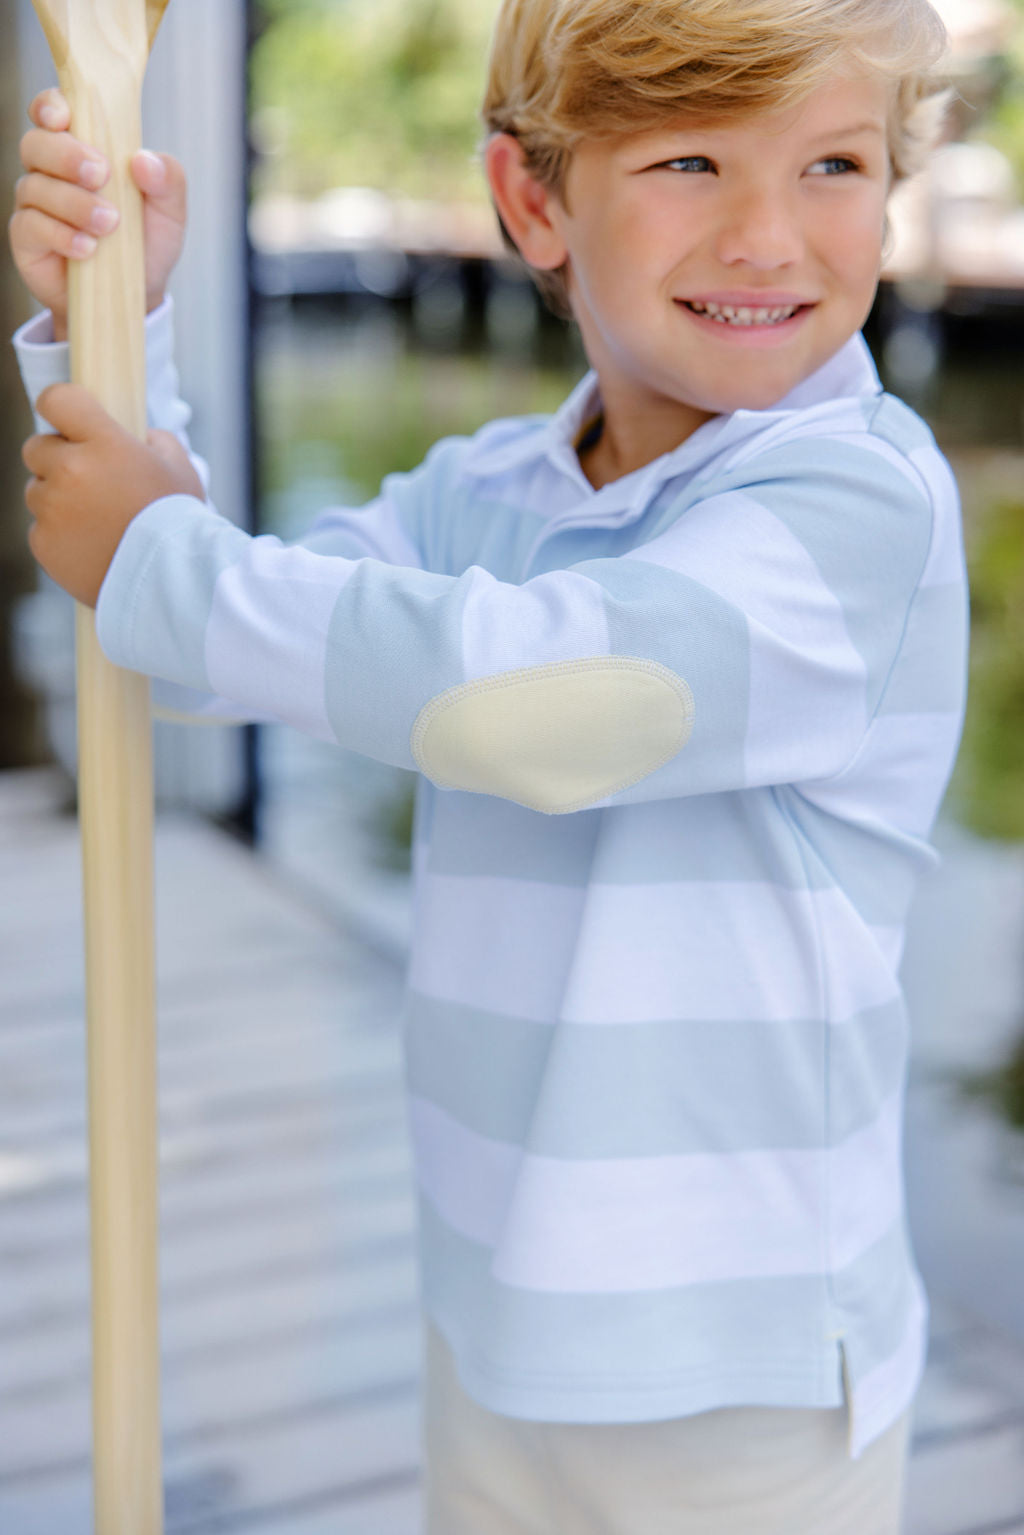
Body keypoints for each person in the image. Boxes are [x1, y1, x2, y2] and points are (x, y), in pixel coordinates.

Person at [9, 0, 969, 1529]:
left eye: (836, 163)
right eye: (693, 162)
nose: (771, 236)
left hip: (739, 1367)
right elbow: (196, 653)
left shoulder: (860, 507)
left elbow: (546, 705)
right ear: (535, 201)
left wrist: (157, 557)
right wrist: (119, 331)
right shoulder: (492, 491)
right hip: (501, 1301)